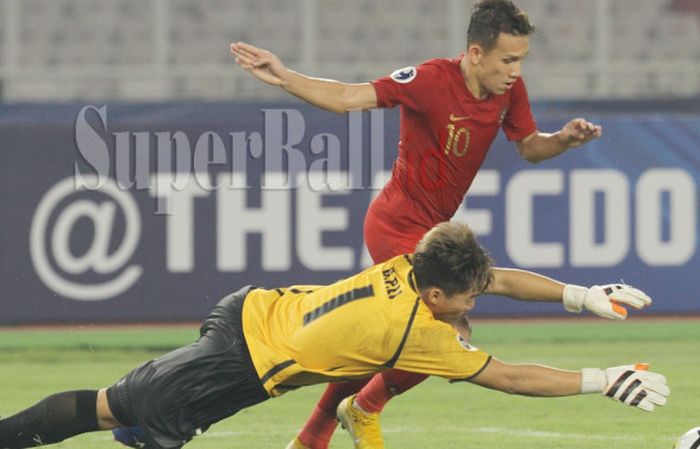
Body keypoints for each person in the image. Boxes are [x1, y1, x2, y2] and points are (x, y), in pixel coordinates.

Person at [228, 0, 608, 449]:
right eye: (508, 59)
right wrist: (286, 77)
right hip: (395, 224)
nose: (515, 70)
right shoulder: (429, 80)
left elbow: (529, 147)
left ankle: (318, 434)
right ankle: (352, 415)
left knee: (391, 336)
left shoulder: (509, 91)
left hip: (432, 231)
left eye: (521, 60)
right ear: (475, 53)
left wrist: (562, 140)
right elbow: (350, 97)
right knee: (444, 333)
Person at [0, 222, 666, 449]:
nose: (475, 301)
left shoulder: (418, 262)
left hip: (250, 310)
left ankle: (156, 428)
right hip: (237, 363)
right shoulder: (417, 332)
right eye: (468, 296)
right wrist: (603, 379)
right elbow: (509, 375)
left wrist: (579, 293)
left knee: (149, 425)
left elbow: (500, 279)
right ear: (439, 296)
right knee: (109, 407)